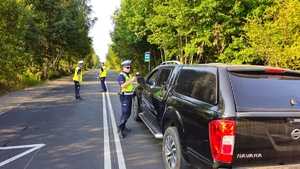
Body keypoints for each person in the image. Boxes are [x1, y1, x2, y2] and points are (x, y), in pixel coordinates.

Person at [117, 60, 137, 138]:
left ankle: (123, 126)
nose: (129, 69)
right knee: (125, 113)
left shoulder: (128, 75)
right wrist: (131, 80)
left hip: (129, 95)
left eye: (129, 67)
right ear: (124, 67)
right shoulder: (121, 76)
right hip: (125, 96)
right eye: (127, 67)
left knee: (127, 113)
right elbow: (122, 85)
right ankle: (120, 129)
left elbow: (130, 85)